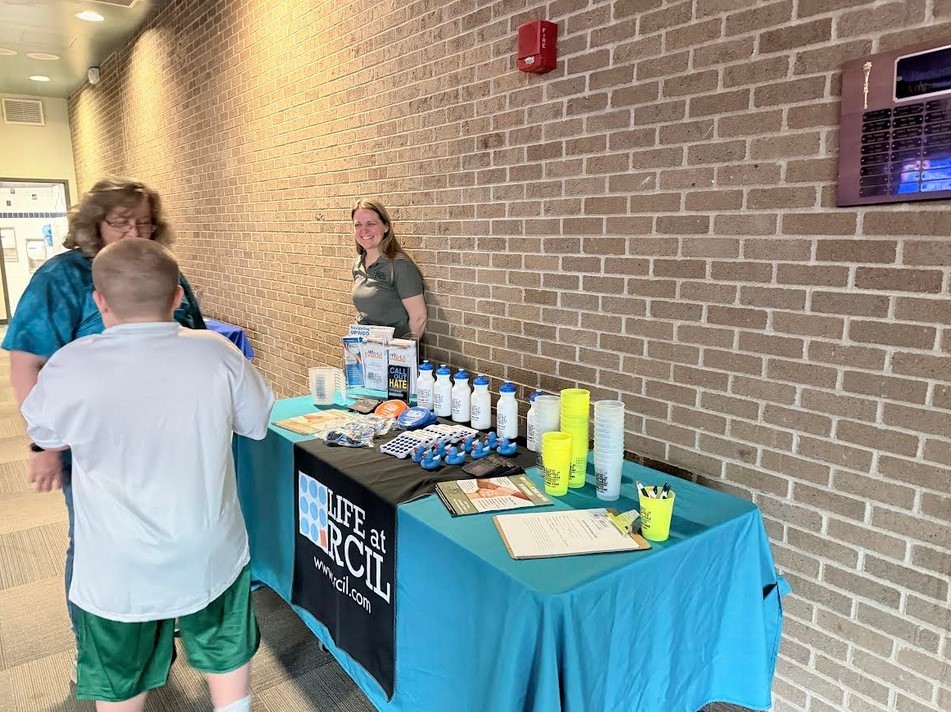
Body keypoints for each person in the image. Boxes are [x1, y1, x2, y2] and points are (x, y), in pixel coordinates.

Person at [20, 239, 274, 712]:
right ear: (178, 297)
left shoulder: (71, 364)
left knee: (120, 675)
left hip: (116, 564)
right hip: (209, 549)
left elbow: (43, 429)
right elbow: (257, 422)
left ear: (99, 301)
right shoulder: (217, 353)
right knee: (226, 648)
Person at [2, 177, 205, 657]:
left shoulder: (164, 272)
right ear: (94, 225)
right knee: (99, 544)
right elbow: (26, 364)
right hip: (94, 445)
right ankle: (98, 651)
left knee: (165, 535)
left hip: (168, 440)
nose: (135, 231)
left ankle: (157, 636)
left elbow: (192, 337)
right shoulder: (63, 277)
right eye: (121, 222)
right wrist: (43, 443)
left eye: (145, 223)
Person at [350, 198, 427, 338]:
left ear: (386, 227)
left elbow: (419, 318)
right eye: (358, 225)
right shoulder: (358, 264)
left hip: (392, 353)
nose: (364, 230)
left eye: (371, 224)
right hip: (364, 350)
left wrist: (402, 352)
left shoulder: (400, 266)